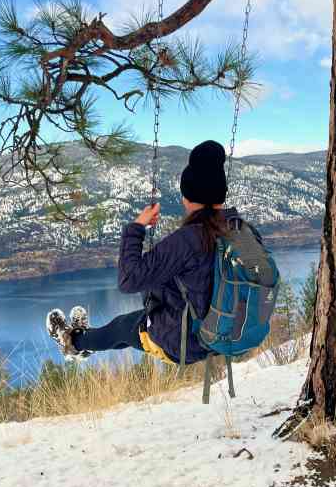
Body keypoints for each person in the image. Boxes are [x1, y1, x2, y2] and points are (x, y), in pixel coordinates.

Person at [45, 139, 235, 365]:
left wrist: (136, 228)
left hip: (187, 342)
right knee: (128, 326)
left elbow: (128, 280)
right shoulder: (241, 229)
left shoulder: (189, 240)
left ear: (187, 196)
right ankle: (82, 342)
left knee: (122, 328)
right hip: (230, 331)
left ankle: (71, 342)